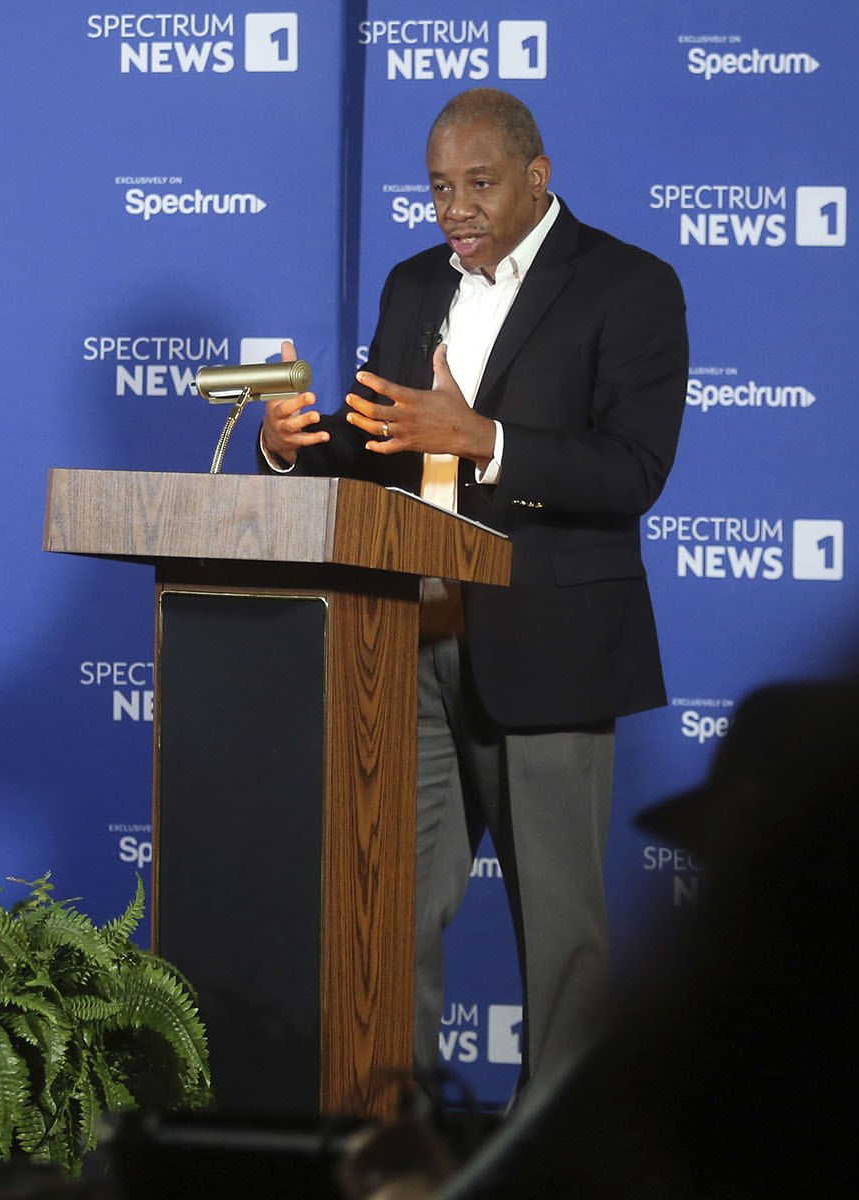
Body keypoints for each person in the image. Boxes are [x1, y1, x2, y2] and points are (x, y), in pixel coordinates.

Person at [257, 89, 688, 1093]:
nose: (456, 208)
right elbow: (377, 459)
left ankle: (558, 1160)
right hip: (407, 643)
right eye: (441, 188)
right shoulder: (414, 286)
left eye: (480, 185)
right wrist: (292, 447)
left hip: (551, 642)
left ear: (538, 176)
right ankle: (398, 1138)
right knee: (387, 910)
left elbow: (633, 470)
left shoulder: (628, 285)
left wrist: (482, 439)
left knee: (560, 933)